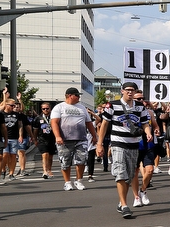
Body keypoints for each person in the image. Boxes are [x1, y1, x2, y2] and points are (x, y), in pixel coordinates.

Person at [97, 81, 153, 219]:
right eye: (127, 90)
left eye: (132, 90)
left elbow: (145, 122)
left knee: (129, 176)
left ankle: (121, 202)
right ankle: (124, 205)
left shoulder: (140, 106)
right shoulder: (113, 105)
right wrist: (99, 144)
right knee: (121, 173)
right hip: (118, 143)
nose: (130, 92)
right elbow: (104, 124)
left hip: (134, 144)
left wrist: (148, 132)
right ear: (122, 91)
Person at [50, 87, 96, 191]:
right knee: (65, 161)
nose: (79, 97)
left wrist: (94, 136)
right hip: (65, 139)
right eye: (77, 95)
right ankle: (67, 182)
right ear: (70, 96)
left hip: (81, 138)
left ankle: (79, 180)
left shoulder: (82, 108)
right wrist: (57, 136)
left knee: (82, 160)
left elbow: (89, 123)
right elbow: (54, 123)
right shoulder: (59, 107)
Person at [36, 101, 57, 179]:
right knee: (45, 155)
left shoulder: (54, 117)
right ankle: (44, 171)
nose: (45, 110)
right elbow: (35, 130)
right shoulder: (38, 118)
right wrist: (34, 139)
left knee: (50, 156)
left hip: (52, 139)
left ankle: (49, 170)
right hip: (42, 139)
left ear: (50, 109)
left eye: (47, 108)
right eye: (43, 109)